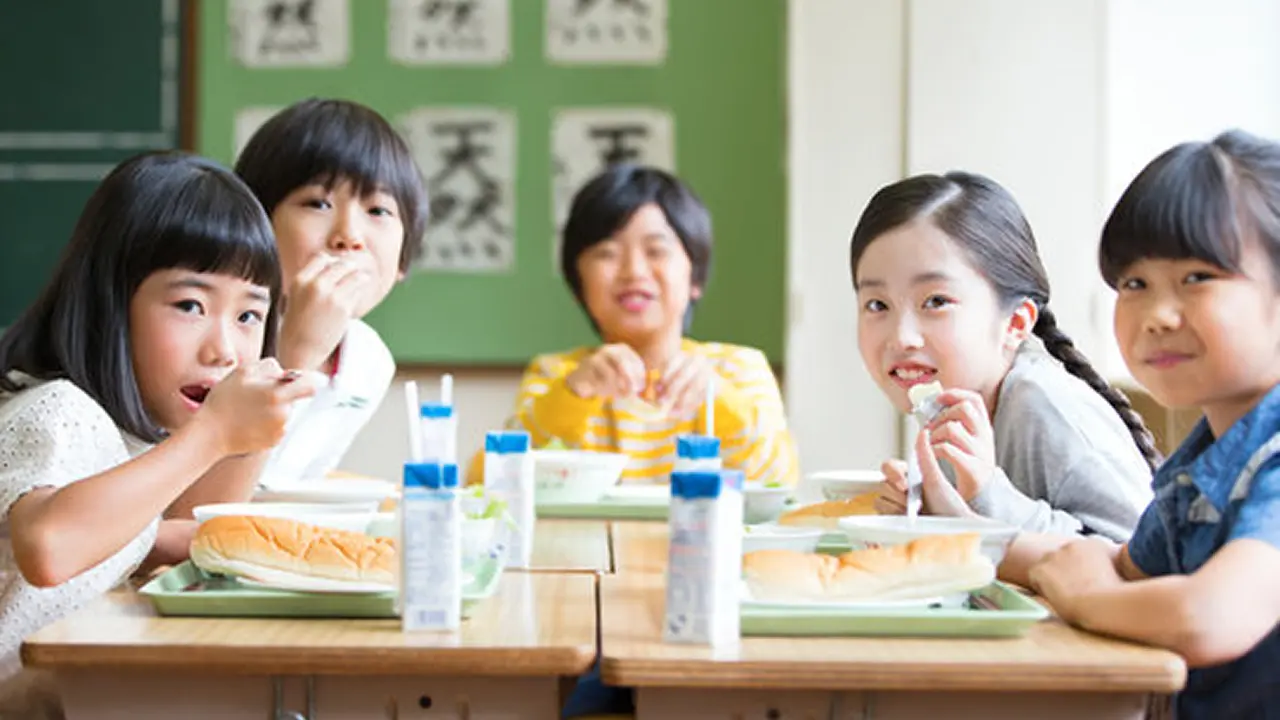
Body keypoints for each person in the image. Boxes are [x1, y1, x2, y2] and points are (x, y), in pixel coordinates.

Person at [0, 152, 317, 718]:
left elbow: (190, 519)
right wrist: (218, 431)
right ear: (110, 304)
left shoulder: (131, 428)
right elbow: (49, 548)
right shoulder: (58, 410)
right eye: (190, 305)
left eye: (249, 316)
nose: (223, 348)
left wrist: (249, 436)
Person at [1030, 130, 1280, 719]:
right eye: (1134, 285)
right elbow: (1123, 567)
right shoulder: (1202, 465)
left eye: (1197, 278)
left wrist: (1089, 597)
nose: (1157, 316)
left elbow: (1209, 617)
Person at [851, 171, 1155, 540]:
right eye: (876, 304)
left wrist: (985, 494)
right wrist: (927, 509)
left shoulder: (1045, 405)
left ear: (1015, 322)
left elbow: (1139, 559)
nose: (902, 337)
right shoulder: (952, 404)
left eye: (936, 301)